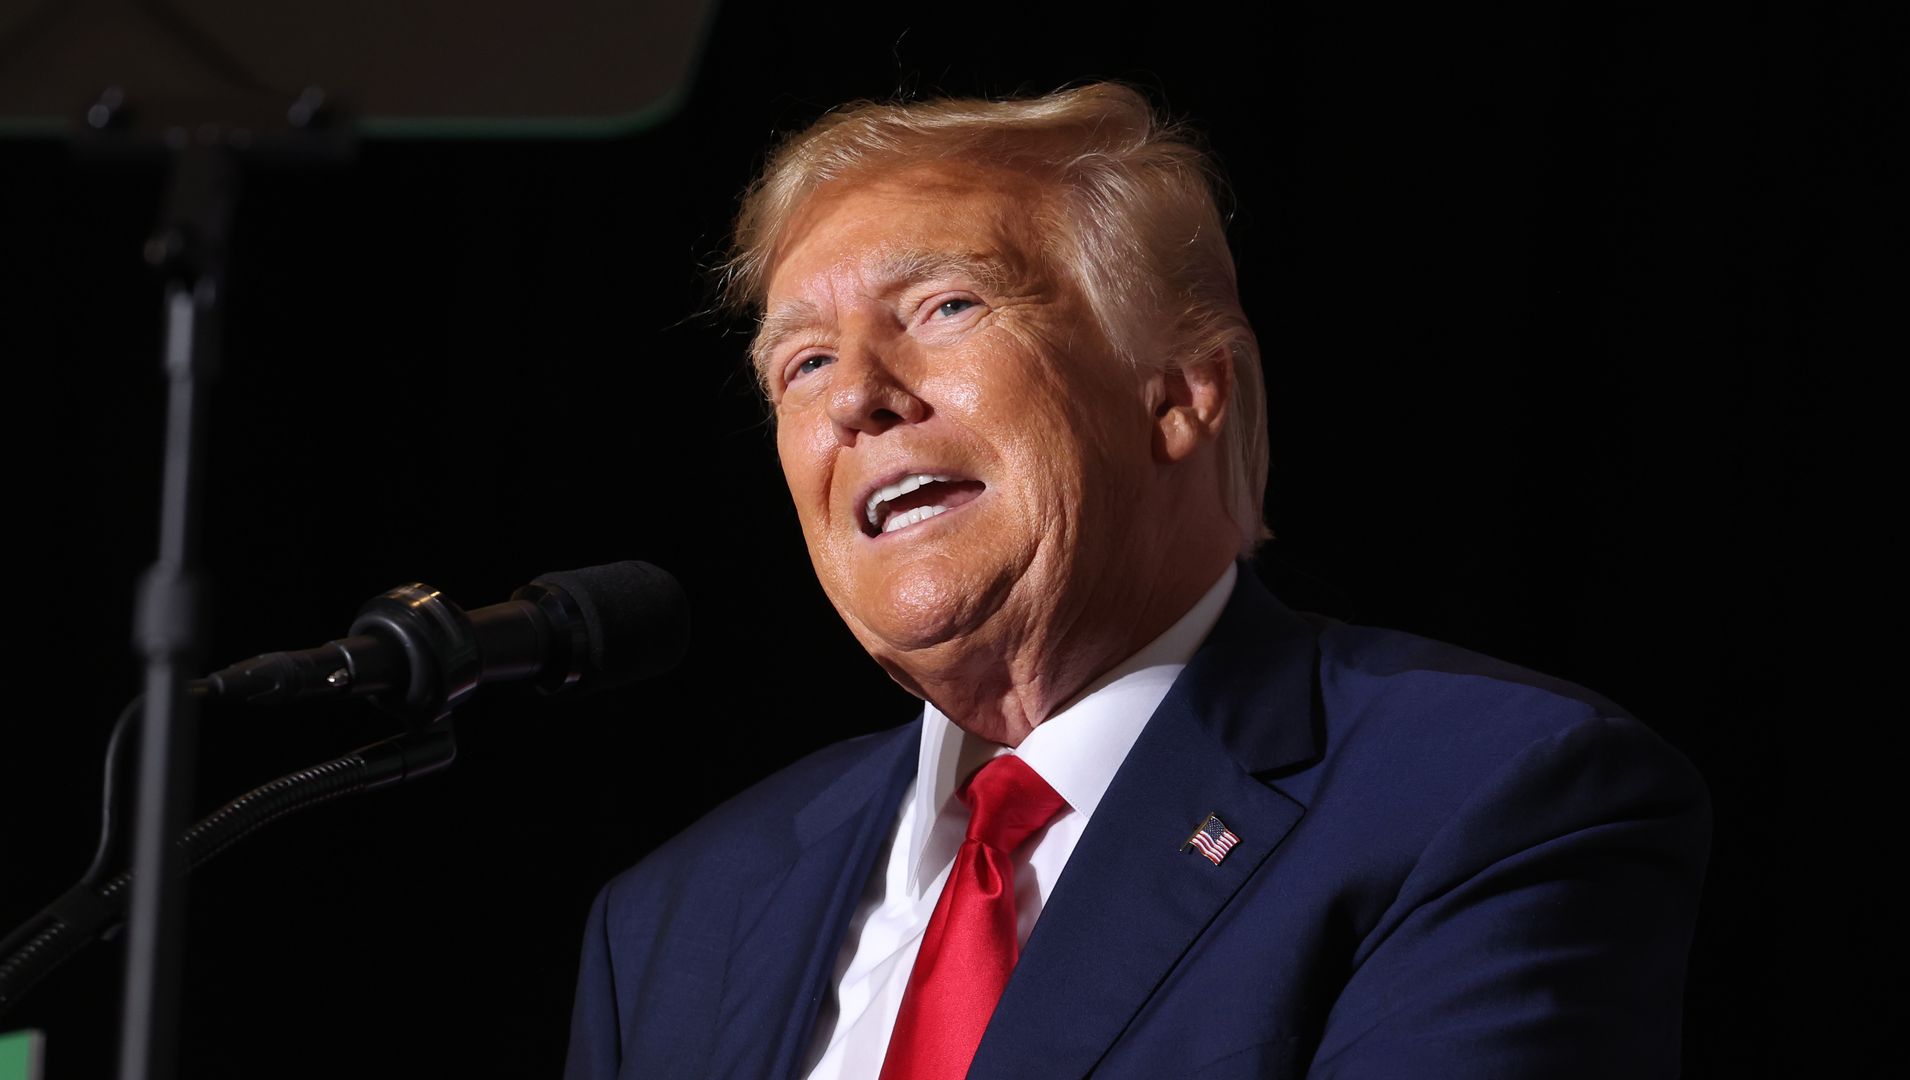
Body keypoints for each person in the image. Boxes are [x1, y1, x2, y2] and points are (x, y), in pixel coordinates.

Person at [564, 83, 1709, 1080]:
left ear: (1180, 391)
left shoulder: (1484, 800)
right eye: (802, 362)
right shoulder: (675, 921)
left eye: (946, 307)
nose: (856, 394)